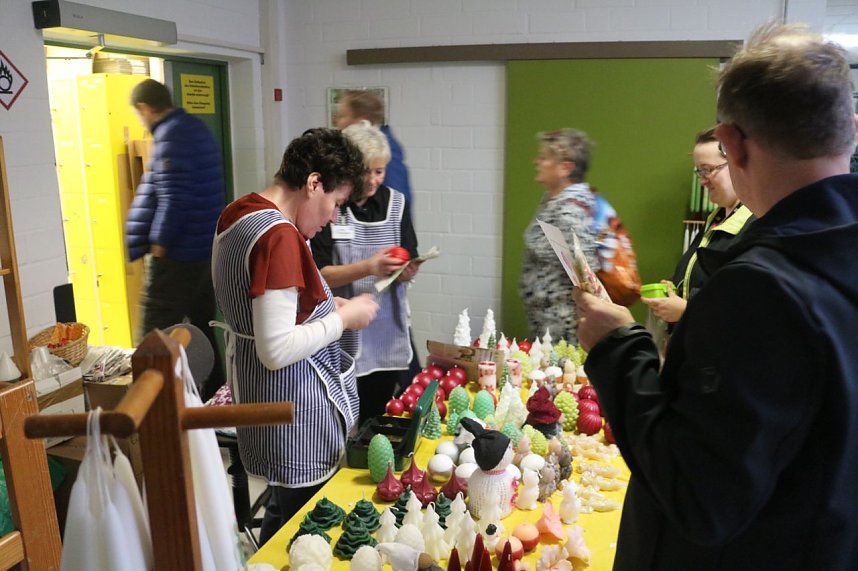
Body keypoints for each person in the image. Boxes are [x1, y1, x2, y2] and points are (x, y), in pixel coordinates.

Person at [574, 23, 858, 569]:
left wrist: (616, 346)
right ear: (851, 128)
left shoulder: (761, 289)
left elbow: (700, 496)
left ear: (731, 146)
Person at [211, 128, 379, 544]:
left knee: (282, 510)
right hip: (293, 408)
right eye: (334, 203)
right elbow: (276, 348)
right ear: (313, 182)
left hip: (262, 394)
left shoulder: (240, 213)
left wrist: (326, 308)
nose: (333, 218)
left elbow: (270, 313)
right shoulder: (280, 236)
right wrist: (345, 318)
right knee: (310, 527)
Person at [311, 120, 420, 425]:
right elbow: (319, 274)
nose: (373, 180)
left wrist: (407, 270)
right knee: (343, 412)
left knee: (380, 410)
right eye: (365, 171)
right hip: (342, 326)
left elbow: (408, 254)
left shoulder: (396, 204)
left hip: (387, 325)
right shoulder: (331, 207)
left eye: (379, 171)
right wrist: (368, 267)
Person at [125, 78, 225, 401]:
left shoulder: (171, 137)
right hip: (204, 251)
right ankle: (213, 397)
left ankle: (150, 407)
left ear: (145, 108)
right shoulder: (194, 128)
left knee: (152, 335)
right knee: (202, 328)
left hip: (178, 254)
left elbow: (174, 200)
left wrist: (158, 245)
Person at [641, 127, 755, 324]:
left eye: (708, 170)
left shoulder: (755, 226)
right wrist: (675, 288)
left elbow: (744, 306)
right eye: (699, 171)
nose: (702, 181)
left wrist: (687, 310)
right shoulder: (716, 218)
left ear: (737, 164)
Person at [519, 128, 599, 344]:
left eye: (544, 157)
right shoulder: (553, 200)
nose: (537, 162)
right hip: (547, 321)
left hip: (563, 329)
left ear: (565, 168)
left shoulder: (570, 209)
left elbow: (585, 272)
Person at [334, 89, 412, 204]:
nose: (337, 121)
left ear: (361, 120)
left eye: (342, 116)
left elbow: (394, 197)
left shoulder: (381, 150)